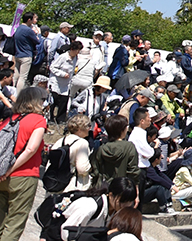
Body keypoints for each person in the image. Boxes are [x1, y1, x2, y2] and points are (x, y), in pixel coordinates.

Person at [0, 85, 48, 241]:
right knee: (15, 221)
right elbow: (31, 149)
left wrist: (4, 171)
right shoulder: (38, 120)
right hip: (24, 175)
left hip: (2, 176)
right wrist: (10, 169)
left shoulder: (9, 119)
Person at [59, 176, 140, 240]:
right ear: (111, 195)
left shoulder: (115, 211)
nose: (126, 206)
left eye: (129, 202)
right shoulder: (90, 207)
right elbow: (65, 231)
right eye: (122, 201)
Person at [49, 113, 94, 192]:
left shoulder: (61, 141)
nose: (90, 128)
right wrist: (91, 168)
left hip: (58, 183)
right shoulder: (82, 143)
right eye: (88, 126)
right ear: (80, 129)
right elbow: (82, 168)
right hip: (73, 186)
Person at [94, 116, 140, 185]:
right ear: (122, 130)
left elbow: (96, 171)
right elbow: (133, 171)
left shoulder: (102, 148)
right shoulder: (129, 147)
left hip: (106, 187)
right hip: (124, 187)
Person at [11, 13, 39, 88]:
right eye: (33, 19)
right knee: (23, 77)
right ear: (29, 20)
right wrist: (37, 33)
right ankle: (18, 95)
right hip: (26, 56)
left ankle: (12, 90)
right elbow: (37, 41)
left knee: (16, 75)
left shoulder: (18, 28)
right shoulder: (28, 30)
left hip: (18, 54)